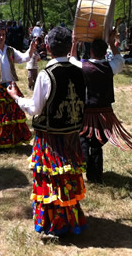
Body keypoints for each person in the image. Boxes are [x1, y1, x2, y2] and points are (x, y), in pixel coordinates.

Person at [7, 26, 87, 235]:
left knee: (51, 178)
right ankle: (71, 218)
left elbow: (35, 109)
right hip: (71, 134)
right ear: (69, 46)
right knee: (68, 177)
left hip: (50, 138)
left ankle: (54, 222)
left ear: (48, 47)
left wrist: (16, 97)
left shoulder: (46, 75)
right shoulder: (80, 70)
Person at [70, 32, 132, 183]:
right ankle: (95, 175)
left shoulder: (84, 66)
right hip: (105, 113)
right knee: (96, 143)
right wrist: (112, 42)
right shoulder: (110, 66)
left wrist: (74, 43)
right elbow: (119, 60)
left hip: (88, 112)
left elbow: (71, 60)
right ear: (104, 52)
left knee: (83, 137)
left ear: (91, 51)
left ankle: (83, 164)